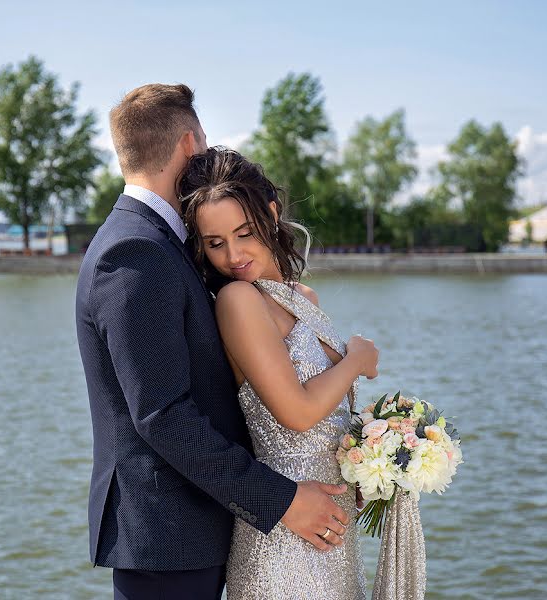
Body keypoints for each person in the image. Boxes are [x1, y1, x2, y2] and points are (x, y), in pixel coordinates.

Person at [75, 84, 370, 600]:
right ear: (190, 145)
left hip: (208, 526)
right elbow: (162, 415)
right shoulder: (133, 250)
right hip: (169, 538)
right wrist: (280, 500)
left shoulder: (167, 244)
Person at [177, 146, 380, 599]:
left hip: (333, 517)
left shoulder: (302, 296)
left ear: (270, 214)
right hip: (287, 528)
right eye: (215, 243)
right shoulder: (237, 301)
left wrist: (363, 459)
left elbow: (325, 418)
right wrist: (356, 360)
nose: (233, 255)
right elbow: (298, 411)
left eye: (244, 232)